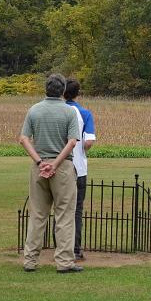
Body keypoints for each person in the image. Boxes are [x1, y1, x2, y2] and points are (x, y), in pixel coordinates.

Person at [18, 73, 83, 273]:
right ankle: (64, 262)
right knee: (64, 215)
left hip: (39, 167)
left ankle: (30, 261)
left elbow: (23, 139)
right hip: (62, 168)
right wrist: (55, 164)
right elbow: (72, 142)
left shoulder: (34, 110)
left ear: (46, 89)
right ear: (62, 90)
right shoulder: (69, 112)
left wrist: (40, 162)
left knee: (37, 214)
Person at [63, 78, 96, 261]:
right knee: (76, 210)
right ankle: (75, 250)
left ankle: (60, 247)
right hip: (78, 167)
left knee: (60, 208)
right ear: (78, 93)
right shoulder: (84, 113)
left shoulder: (58, 111)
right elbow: (89, 141)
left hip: (57, 166)